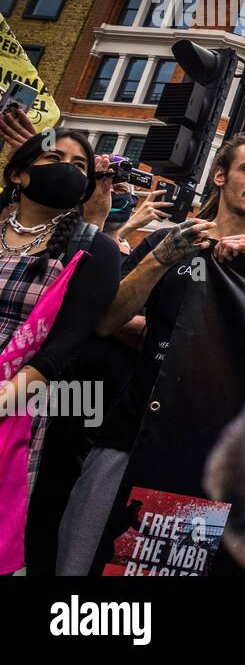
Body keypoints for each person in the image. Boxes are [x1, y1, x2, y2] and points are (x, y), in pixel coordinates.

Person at [56, 133, 245, 575]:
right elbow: (107, 320)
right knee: (81, 564)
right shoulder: (166, 242)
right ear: (220, 175)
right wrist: (167, 254)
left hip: (204, 459)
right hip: (130, 438)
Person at [0, 129, 122, 575]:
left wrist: (4, 399)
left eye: (80, 165)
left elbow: (66, 345)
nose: (69, 167)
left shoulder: (94, 249)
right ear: (20, 173)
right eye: (56, 157)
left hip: (15, 407)